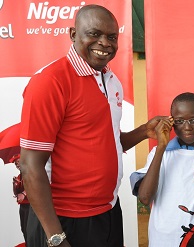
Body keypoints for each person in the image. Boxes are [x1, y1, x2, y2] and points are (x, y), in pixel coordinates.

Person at [19, 5, 164, 247]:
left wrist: (143, 132)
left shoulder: (111, 80)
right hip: (65, 220)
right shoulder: (50, 82)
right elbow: (30, 165)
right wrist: (55, 237)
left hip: (107, 212)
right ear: (73, 34)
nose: (104, 43)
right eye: (94, 34)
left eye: (112, 37)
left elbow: (105, 142)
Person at [130, 92, 194, 247]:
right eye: (179, 121)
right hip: (163, 241)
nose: (187, 127)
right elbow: (145, 198)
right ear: (171, 122)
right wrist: (161, 148)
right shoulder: (160, 154)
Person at [11, 153, 30, 246]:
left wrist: (23, 193)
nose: (17, 165)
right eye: (15, 164)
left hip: (32, 206)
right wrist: (14, 184)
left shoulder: (31, 173)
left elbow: (34, 186)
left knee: (31, 228)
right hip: (23, 206)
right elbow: (16, 194)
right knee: (24, 228)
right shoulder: (19, 176)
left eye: (18, 162)